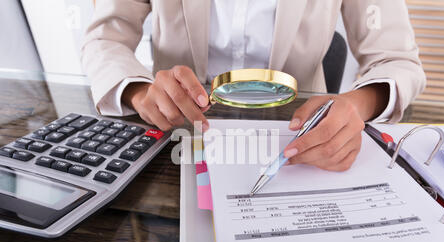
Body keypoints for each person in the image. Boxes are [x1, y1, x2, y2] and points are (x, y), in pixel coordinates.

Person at [82, 0, 425, 171]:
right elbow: (105, 39)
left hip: (296, 136)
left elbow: (396, 60)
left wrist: (357, 105)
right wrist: (139, 92)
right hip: (178, 129)